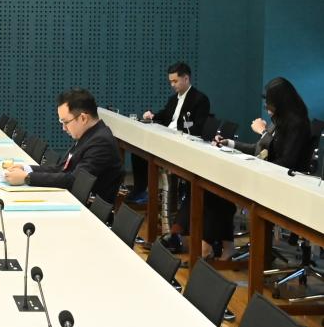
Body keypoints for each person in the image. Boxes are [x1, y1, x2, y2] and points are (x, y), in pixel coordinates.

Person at [206, 77, 312, 259]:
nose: (266, 106)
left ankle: (214, 246)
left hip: (283, 184)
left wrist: (263, 134)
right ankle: (220, 245)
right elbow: (259, 149)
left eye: (269, 102)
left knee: (218, 192)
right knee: (214, 189)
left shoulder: (297, 124)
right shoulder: (278, 120)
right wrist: (229, 143)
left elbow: (286, 162)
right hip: (266, 176)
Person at [4, 88, 123, 204]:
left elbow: (75, 180)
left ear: (83, 118)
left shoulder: (101, 142)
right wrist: (26, 169)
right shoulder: (90, 135)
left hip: (86, 210)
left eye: (66, 122)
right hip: (73, 199)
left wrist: (27, 177)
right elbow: (61, 168)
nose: (64, 128)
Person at [128, 61, 211, 205]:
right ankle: (140, 189)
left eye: (175, 81)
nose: (172, 85)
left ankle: (176, 194)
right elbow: (165, 115)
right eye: (170, 81)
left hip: (182, 143)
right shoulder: (173, 99)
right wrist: (152, 116)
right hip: (167, 139)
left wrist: (179, 126)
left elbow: (199, 125)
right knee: (138, 150)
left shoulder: (200, 99)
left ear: (186, 78)